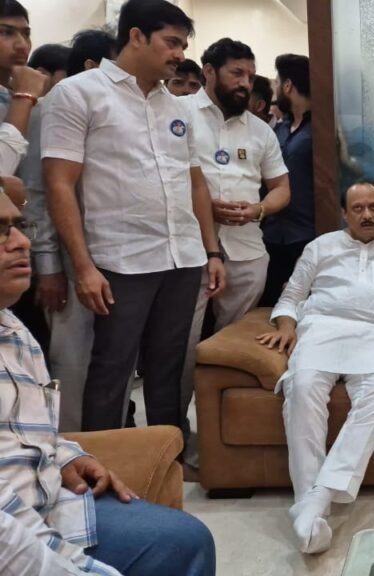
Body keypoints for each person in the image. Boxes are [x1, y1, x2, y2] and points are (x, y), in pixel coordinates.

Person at [0, 189, 216, 576]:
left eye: (19, 226)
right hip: (16, 530)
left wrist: (68, 455)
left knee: (184, 542)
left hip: (47, 499)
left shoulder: (13, 329)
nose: (22, 242)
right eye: (0, 230)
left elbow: (28, 430)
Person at [41, 0, 225, 435]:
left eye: (183, 45)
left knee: (169, 366)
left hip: (182, 258)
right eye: (172, 42)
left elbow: (195, 184)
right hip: (120, 260)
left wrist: (212, 250)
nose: (179, 54)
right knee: (113, 367)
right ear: (137, 36)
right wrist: (82, 267)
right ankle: (106, 463)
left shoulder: (177, 108)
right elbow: (59, 184)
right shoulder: (79, 93)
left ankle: (167, 457)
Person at [256, 180, 374, 554]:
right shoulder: (319, 247)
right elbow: (291, 297)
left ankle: (317, 499)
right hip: (322, 331)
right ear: (344, 213)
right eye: (358, 208)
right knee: (302, 385)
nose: (367, 215)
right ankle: (311, 501)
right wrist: (287, 328)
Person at [179, 38, 290, 461]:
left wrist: (258, 209)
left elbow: (281, 188)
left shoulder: (260, 130)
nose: (246, 83)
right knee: (181, 348)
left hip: (246, 251)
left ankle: (226, 440)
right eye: (236, 74)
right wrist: (204, 207)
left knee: (235, 348)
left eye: (250, 75)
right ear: (209, 72)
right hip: (188, 250)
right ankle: (177, 438)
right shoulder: (179, 114)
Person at [32, 29, 117, 433]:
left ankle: (111, 445)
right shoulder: (52, 107)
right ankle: (66, 447)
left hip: (112, 258)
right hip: (69, 261)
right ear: (91, 67)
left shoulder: (117, 108)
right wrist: (48, 266)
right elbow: (41, 193)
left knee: (110, 361)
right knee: (71, 363)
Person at [9, 42, 70, 351]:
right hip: (27, 250)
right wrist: (48, 266)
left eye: (25, 33)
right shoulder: (38, 111)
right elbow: (34, 191)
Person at [259, 54, 314, 307]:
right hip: (271, 233)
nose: (276, 89)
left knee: (302, 305)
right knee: (267, 304)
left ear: (288, 85)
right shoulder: (279, 129)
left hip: (307, 234)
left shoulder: (322, 128)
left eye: (278, 82)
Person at [0, 0, 47, 175]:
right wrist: (24, 96)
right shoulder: (23, 98)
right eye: (6, 32)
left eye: (26, 34)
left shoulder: (12, 97)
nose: (22, 45)